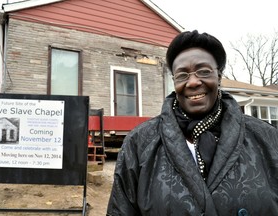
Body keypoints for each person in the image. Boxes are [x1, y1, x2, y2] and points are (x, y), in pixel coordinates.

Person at [106, 30, 278, 216]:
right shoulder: (140, 142)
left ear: (219, 77)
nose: (193, 82)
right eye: (182, 75)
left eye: (204, 71)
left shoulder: (266, 138)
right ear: (174, 82)